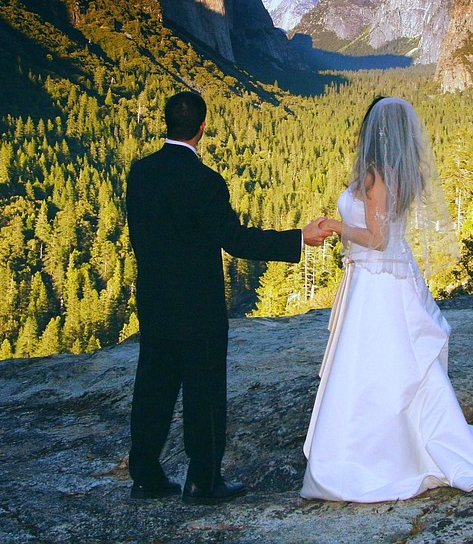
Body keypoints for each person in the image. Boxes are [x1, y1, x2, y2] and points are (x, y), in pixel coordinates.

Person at [301, 96, 473, 502]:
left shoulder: (377, 176)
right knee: (396, 362)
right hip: (380, 279)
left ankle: (373, 458)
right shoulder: (398, 174)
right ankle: (407, 444)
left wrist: (335, 225)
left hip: (377, 282)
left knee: (374, 364)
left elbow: (377, 241)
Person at [125, 91, 331, 505]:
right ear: (202, 128)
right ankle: (203, 481)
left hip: (155, 302)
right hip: (198, 309)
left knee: (152, 388)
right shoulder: (205, 182)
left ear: (167, 124)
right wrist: (298, 238)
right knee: (203, 394)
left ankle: (145, 473)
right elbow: (235, 240)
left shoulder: (140, 172)